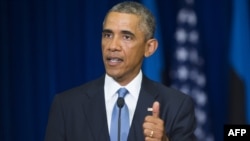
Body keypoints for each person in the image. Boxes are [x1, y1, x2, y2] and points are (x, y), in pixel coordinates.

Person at [44, 1, 196, 141]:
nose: (112, 46)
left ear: (149, 48)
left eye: (126, 37)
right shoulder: (66, 106)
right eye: (107, 35)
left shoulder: (176, 106)